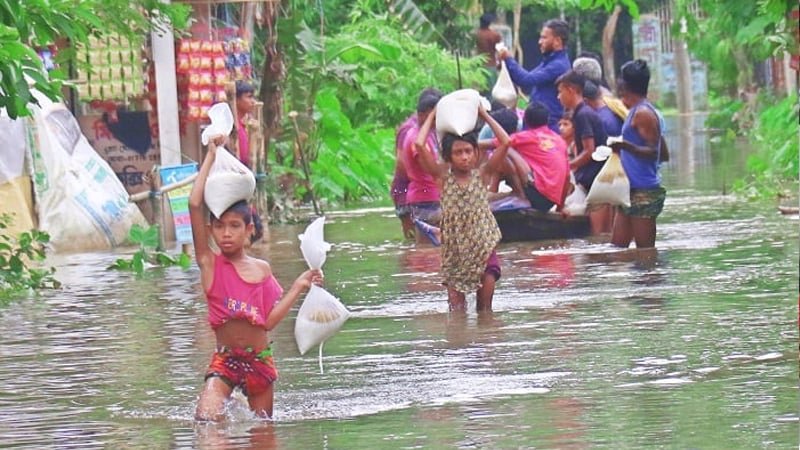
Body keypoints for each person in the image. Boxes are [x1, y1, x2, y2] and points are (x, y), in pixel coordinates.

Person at [189, 135, 323, 421]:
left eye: (234, 226)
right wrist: (211, 155)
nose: (226, 233)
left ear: (249, 230)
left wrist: (299, 285)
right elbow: (194, 204)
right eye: (220, 226)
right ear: (211, 229)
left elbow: (269, 321)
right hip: (225, 361)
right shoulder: (209, 264)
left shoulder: (261, 270)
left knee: (263, 433)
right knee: (206, 421)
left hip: (259, 363)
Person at [414, 105, 511, 312]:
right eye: (458, 153)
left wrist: (484, 115)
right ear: (449, 157)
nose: (464, 157)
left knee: (485, 310)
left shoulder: (483, 174)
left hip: (483, 245)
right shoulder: (442, 177)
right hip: (455, 249)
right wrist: (432, 117)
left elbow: (506, 142)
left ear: (476, 153)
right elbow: (419, 145)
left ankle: (486, 343)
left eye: (468, 151)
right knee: (457, 312)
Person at [609, 59, 668, 249]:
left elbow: (654, 152)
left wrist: (626, 146)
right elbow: (665, 153)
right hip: (629, 190)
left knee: (646, 253)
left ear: (625, 85)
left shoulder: (644, 113)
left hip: (643, 191)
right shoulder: (636, 111)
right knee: (617, 249)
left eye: (620, 79)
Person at [485, 101, 570, 213]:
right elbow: (567, 177)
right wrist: (560, 206)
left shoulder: (526, 137)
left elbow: (492, 144)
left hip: (536, 194)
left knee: (505, 148)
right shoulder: (559, 141)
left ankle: (519, 195)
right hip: (550, 201)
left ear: (526, 120)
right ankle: (507, 193)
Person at [556, 70, 613, 234]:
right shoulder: (583, 112)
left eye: (560, 92)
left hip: (597, 181)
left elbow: (589, 151)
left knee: (599, 235)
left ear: (571, 90)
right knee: (604, 235)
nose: (558, 97)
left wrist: (566, 166)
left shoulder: (583, 114)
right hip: (597, 179)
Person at [497, 19, 571, 132]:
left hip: (547, 125)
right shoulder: (549, 61)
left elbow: (526, 80)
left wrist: (508, 58)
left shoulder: (558, 65)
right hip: (536, 123)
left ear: (557, 41)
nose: (540, 42)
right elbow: (524, 77)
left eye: (544, 38)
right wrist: (506, 65)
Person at [401, 89, 443, 244]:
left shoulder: (418, 134)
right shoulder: (417, 139)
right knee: (429, 248)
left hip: (422, 196)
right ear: (425, 115)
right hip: (426, 198)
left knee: (427, 247)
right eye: (435, 116)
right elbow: (431, 170)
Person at [476, 13, 503, 87]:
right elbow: (500, 51)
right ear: (489, 23)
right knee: (492, 91)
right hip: (491, 65)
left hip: (479, 66)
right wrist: (500, 63)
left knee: (481, 90)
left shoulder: (477, 34)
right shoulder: (494, 35)